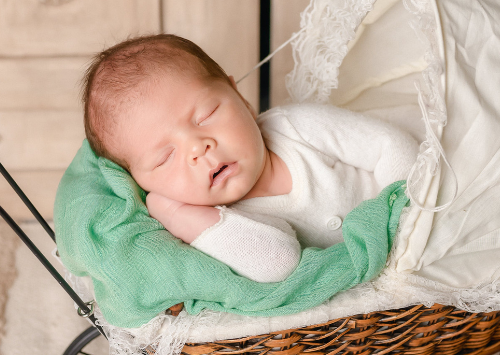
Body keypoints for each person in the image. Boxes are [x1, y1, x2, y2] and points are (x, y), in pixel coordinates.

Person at [82, 33, 419, 282]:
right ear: (140, 183)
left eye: (206, 115)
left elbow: (391, 145)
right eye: (164, 157)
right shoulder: (224, 221)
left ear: (239, 97)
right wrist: (175, 213)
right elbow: (279, 263)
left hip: (419, 214)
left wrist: (405, 222)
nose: (199, 148)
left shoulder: (297, 127)